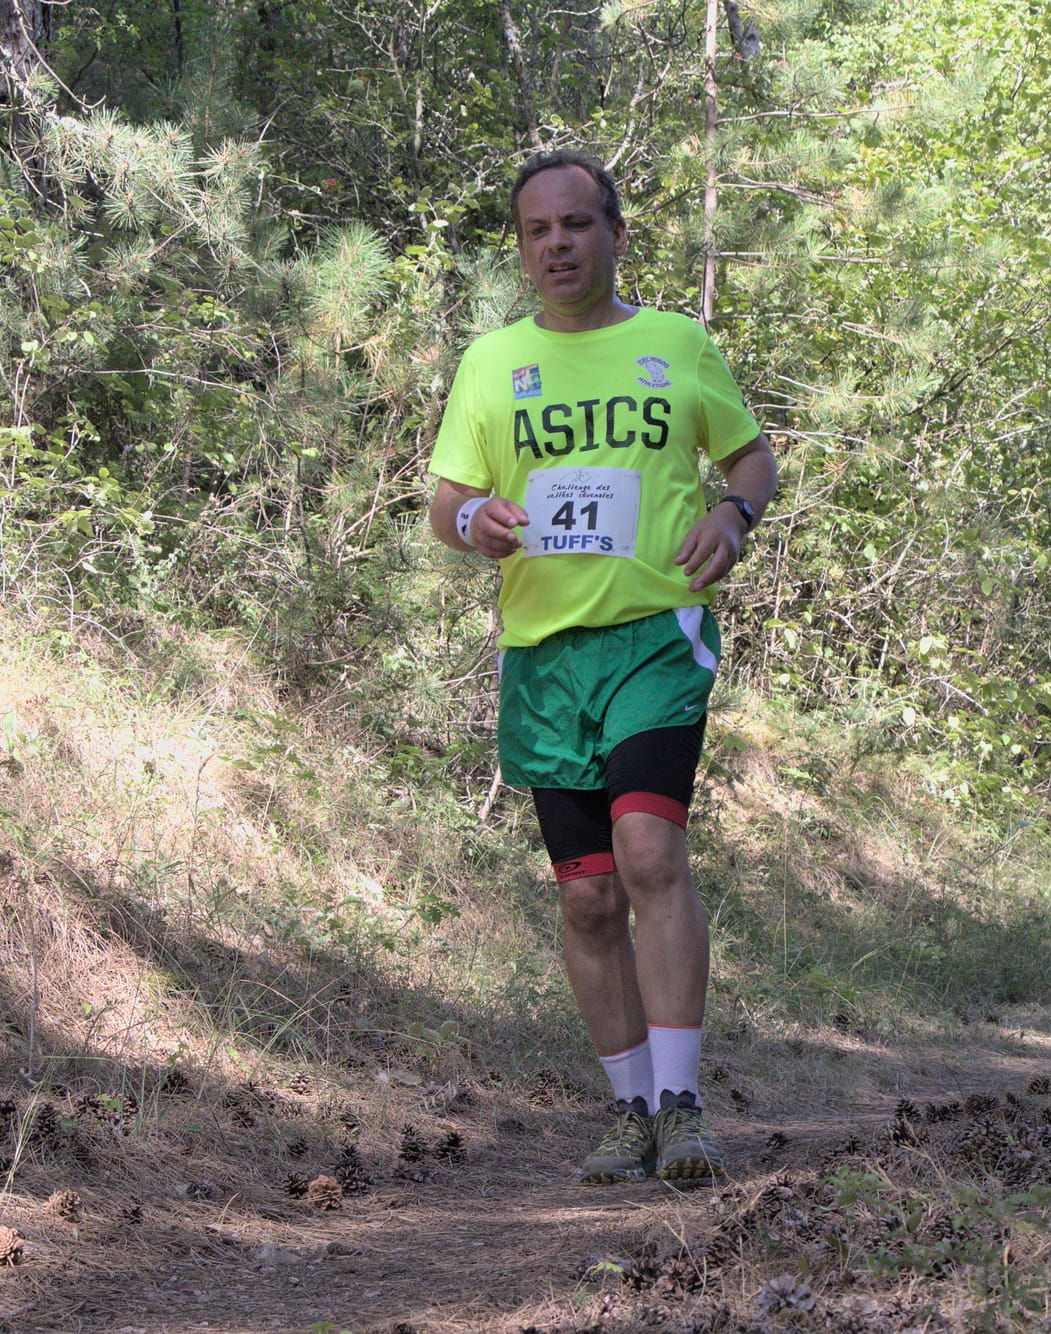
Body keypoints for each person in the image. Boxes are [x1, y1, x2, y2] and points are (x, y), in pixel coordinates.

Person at [426, 149, 779, 1185]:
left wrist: (732, 510)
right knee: (585, 899)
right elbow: (443, 499)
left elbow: (749, 457)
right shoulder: (492, 363)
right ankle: (626, 1111)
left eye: (576, 224)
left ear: (615, 235)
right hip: (544, 654)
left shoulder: (674, 343)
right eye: (537, 231)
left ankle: (681, 1104)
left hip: (652, 636)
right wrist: (471, 521)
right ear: (522, 248)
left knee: (647, 852)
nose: (557, 245)